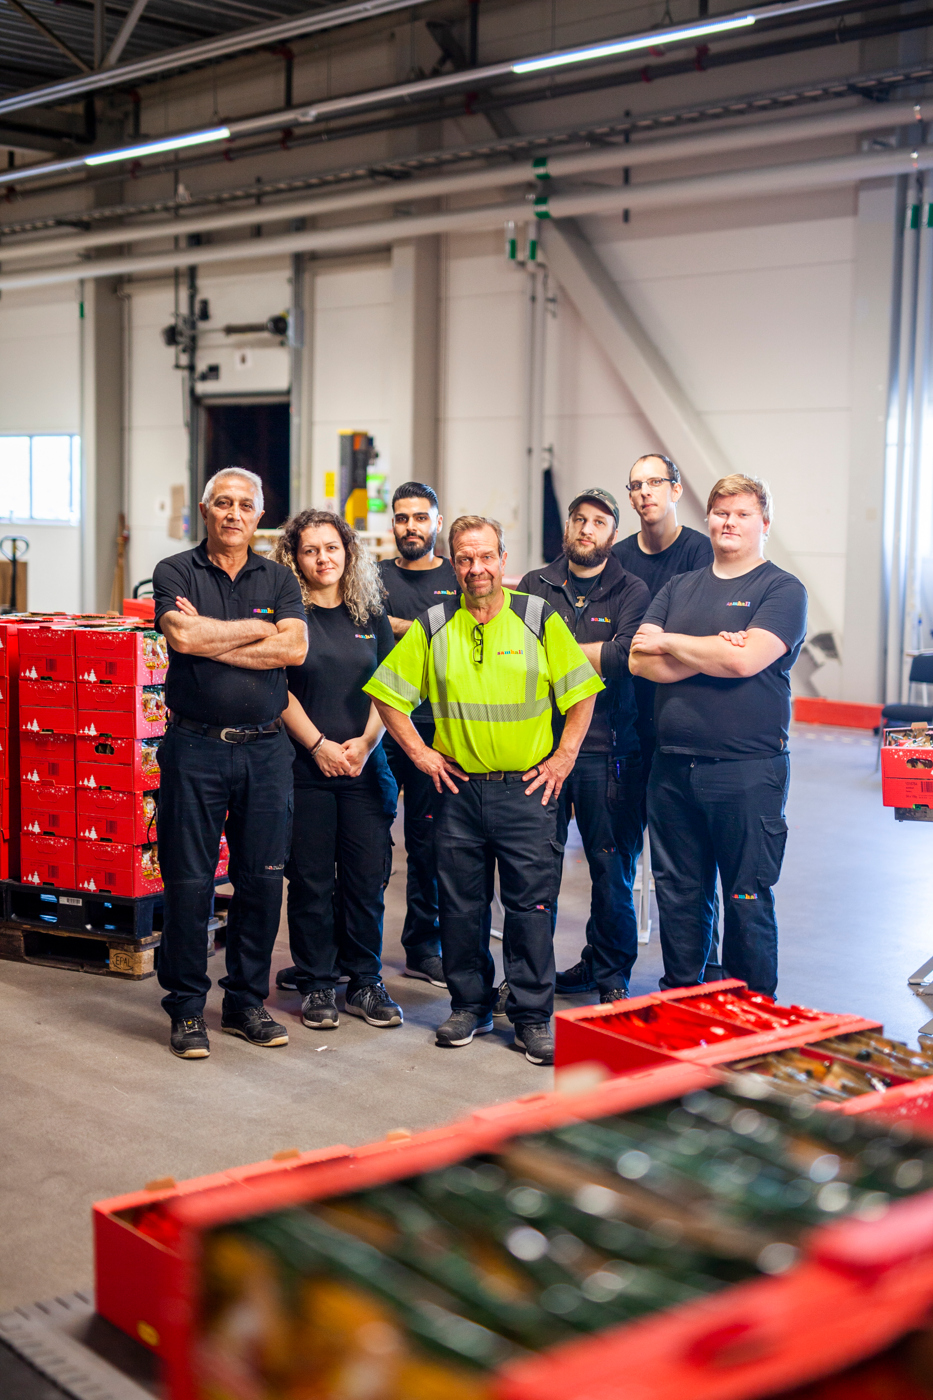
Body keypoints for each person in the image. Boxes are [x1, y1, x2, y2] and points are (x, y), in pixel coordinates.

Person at [365, 515, 603, 1066]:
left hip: (527, 793)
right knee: (462, 907)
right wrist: (421, 754)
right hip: (459, 792)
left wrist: (564, 757)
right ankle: (469, 1005)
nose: (477, 569)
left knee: (530, 908)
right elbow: (387, 693)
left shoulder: (538, 618)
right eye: (466, 559)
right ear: (455, 563)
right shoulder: (433, 624)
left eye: (487, 557)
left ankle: (531, 1015)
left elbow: (582, 691)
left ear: (502, 559)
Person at [629, 474, 807, 996]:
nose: (729, 522)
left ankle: (752, 1014)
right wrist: (717, 653)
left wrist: (676, 643)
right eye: (721, 512)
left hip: (747, 773)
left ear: (764, 525)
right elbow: (641, 661)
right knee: (680, 894)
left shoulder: (781, 589)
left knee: (746, 898)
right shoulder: (680, 586)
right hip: (672, 770)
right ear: (707, 519)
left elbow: (747, 658)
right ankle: (684, 999)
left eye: (742, 514)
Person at [153, 469, 308, 1060]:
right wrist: (257, 629)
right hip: (195, 749)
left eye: (245, 505)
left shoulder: (278, 576)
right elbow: (183, 639)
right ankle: (188, 1009)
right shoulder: (175, 571)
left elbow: (294, 647)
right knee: (190, 883)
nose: (234, 514)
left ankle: (245, 1002)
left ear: (260, 514)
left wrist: (215, 636)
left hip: (268, 751)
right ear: (205, 509)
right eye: (223, 503)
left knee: (263, 881)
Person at [272, 510, 402, 1032]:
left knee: (366, 880)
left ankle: (364, 980)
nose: (323, 558)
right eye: (311, 550)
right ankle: (317, 981)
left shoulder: (369, 615)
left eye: (332, 548)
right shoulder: (287, 617)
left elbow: (390, 686)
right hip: (306, 767)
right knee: (309, 881)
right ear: (294, 558)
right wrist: (320, 745)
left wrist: (368, 743)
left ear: (348, 553)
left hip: (365, 767)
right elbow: (276, 689)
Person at [518, 488, 649, 1003]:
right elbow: (521, 656)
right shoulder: (535, 584)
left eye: (598, 522)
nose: (586, 529)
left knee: (611, 870)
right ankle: (530, 978)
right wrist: (587, 656)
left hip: (607, 754)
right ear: (567, 528)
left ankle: (610, 974)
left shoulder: (631, 590)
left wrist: (558, 653)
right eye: (579, 520)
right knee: (536, 873)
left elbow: (624, 658)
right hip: (539, 753)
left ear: (612, 535)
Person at [377, 482, 459, 989]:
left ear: (437, 520)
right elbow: (359, 625)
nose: (412, 526)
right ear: (393, 524)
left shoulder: (458, 575)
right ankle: (352, 947)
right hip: (380, 726)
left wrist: (397, 626)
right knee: (368, 842)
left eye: (421, 517)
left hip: (440, 729)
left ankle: (423, 947)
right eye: (403, 518)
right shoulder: (373, 576)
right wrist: (427, 628)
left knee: (430, 843)